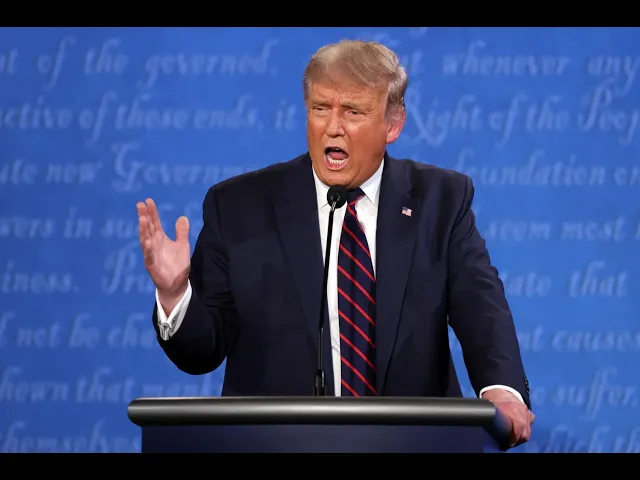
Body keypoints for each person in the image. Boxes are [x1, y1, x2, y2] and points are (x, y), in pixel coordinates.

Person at [137, 39, 534, 448]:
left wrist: (502, 390)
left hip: (414, 444)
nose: (332, 127)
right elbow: (201, 351)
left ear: (393, 124)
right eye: (320, 108)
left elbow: (480, 306)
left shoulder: (440, 200)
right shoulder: (239, 206)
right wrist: (175, 295)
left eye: (353, 112)